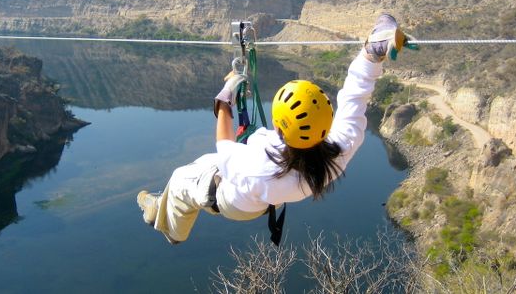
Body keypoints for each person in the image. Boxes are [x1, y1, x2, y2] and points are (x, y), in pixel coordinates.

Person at [137, 14, 416, 245]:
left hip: (232, 200)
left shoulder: (257, 166)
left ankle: (170, 228)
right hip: (262, 197)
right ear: (325, 121)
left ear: (280, 128)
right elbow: (355, 95)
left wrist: (225, 95)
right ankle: (164, 205)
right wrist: (371, 53)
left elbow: (223, 142)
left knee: (181, 180)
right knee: (204, 163)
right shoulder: (337, 149)